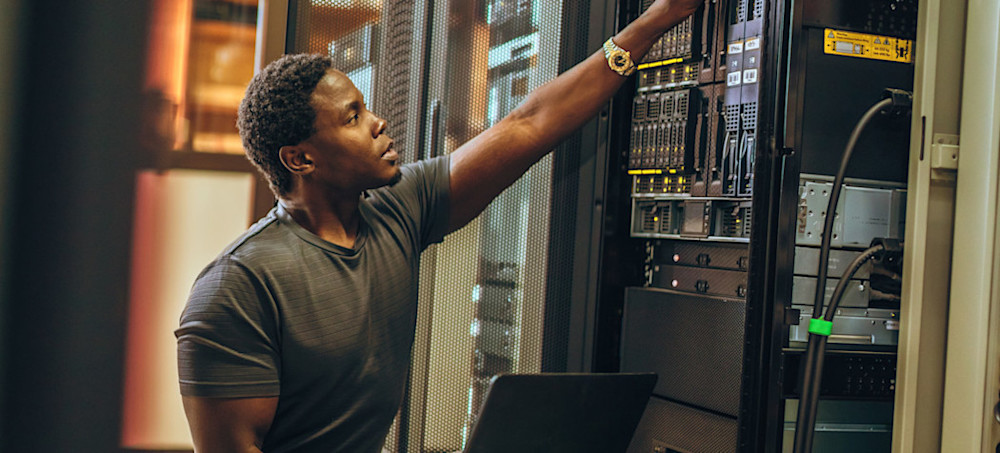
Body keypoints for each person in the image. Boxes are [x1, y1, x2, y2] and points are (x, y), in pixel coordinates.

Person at [175, 0, 701, 451]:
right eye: (353, 116)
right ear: (300, 159)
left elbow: (529, 125)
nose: (379, 121)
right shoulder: (236, 290)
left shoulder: (398, 209)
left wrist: (658, 18)